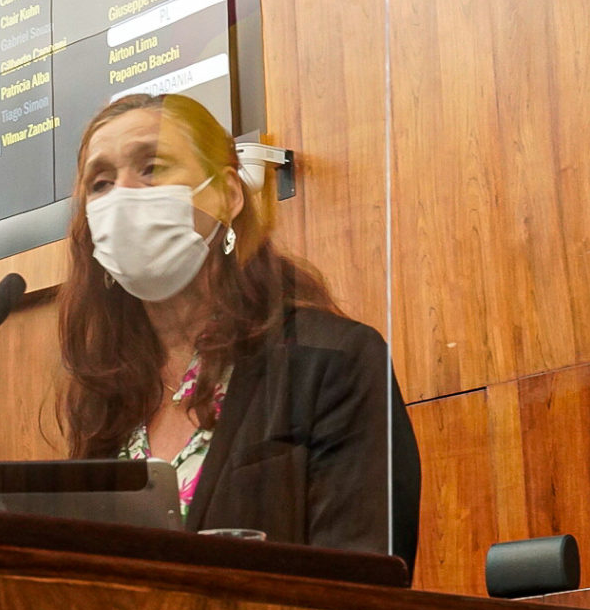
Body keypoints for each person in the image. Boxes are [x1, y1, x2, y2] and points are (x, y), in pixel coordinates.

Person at [57, 93, 421, 577]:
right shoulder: (106, 394)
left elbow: (362, 583)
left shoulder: (331, 360)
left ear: (227, 195)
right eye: (100, 183)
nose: (123, 195)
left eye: (151, 167)